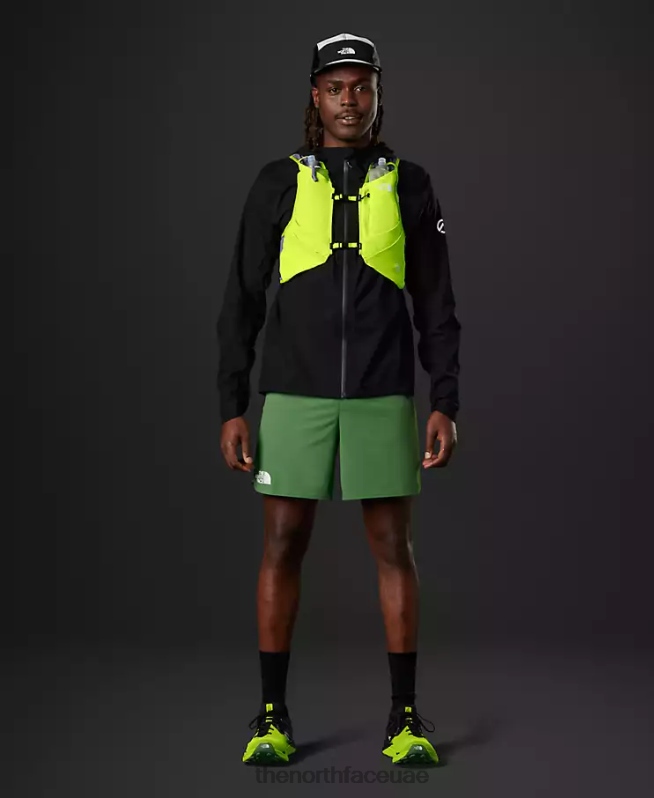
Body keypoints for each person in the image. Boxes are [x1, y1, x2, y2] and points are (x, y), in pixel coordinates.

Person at [216, 32, 461, 766]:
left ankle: (404, 721)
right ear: (315, 97)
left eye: (361, 87)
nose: (348, 101)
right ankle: (271, 717)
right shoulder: (278, 182)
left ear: (377, 94)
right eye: (335, 88)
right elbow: (241, 300)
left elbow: (437, 303)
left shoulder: (410, 183)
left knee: (393, 549)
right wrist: (232, 404)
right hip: (294, 396)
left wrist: (445, 399)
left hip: (382, 395)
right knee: (281, 546)